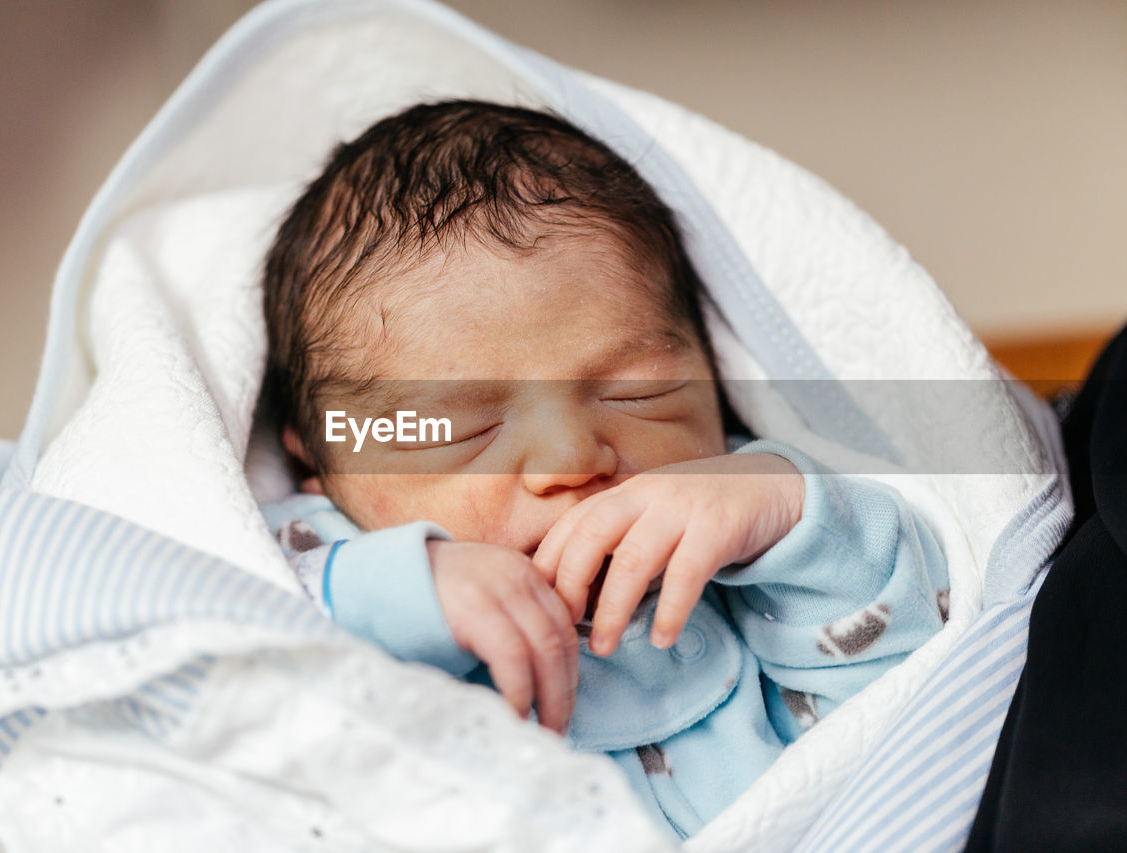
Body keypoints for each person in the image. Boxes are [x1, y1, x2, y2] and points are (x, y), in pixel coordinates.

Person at [255, 100, 950, 838]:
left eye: (638, 393)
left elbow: (905, 702)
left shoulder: (743, 564)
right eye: (460, 427)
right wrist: (412, 588)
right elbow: (214, 647)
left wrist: (788, 510)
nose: (573, 458)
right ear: (321, 454)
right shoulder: (312, 560)